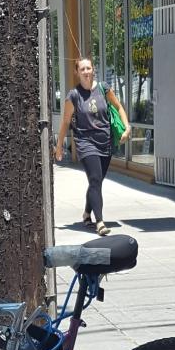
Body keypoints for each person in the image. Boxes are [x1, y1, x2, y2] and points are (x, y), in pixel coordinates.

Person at [55, 57, 130, 237]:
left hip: (105, 142)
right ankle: (100, 222)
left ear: (93, 69)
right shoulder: (73, 95)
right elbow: (65, 122)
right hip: (85, 143)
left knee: (96, 181)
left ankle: (87, 213)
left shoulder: (104, 88)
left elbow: (118, 107)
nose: (86, 72)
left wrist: (127, 126)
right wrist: (59, 146)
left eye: (88, 68)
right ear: (77, 72)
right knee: (95, 179)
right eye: (82, 69)